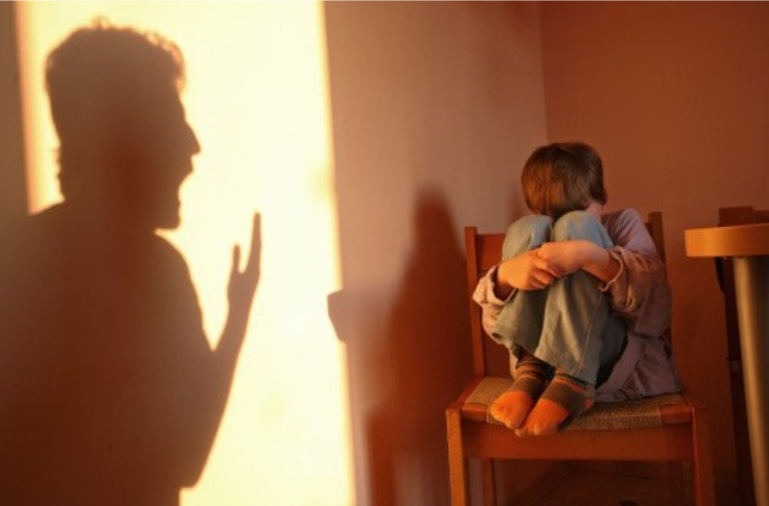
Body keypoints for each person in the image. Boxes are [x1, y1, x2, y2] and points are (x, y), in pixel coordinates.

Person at [0, 21, 259, 505]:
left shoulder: (17, 258)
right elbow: (188, 459)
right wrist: (235, 325)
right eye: (173, 122)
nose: (192, 146)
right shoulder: (159, 273)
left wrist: (237, 319)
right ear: (126, 138)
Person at [472, 142, 679, 438]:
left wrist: (589, 256)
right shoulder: (535, 232)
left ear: (603, 196)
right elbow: (494, 326)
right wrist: (507, 275)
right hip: (541, 378)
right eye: (554, 218)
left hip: (614, 365)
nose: (560, 227)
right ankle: (531, 369)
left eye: (575, 212)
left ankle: (574, 379)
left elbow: (658, 311)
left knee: (578, 227)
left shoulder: (623, 223)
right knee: (525, 229)